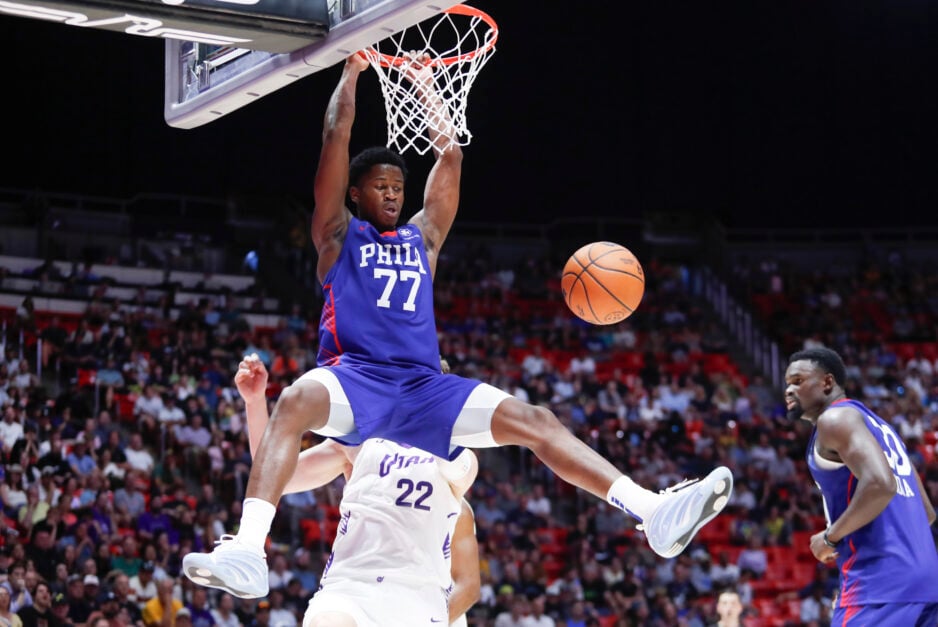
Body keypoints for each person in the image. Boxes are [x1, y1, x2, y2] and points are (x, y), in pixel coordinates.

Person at [183, 50, 732, 598]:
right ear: (355, 194)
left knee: (534, 419)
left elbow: (449, 157)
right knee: (296, 399)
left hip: (425, 386)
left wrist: (425, 88)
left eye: (398, 185)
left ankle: (651, 510)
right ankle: (249, 551)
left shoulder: (424, 240)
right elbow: (335, 138)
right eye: (380, 185)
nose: (394, 192)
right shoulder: (337, 235)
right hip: (360, 378)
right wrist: (350, 73)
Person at [190, 355, 479, 626]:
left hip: (418, 598)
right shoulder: (359, 441)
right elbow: (275, 473)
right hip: (350, 586)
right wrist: (254, 403)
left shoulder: (455, 464)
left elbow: (468, 585)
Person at [785, 347, 938, 626]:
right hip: (927, 586)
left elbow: (880, 484)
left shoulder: (835, 419)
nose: (789, 390)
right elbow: (926, 512)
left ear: (827, 382)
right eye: (787, 384)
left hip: (879, 584)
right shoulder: (884, 429)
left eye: (797, 381)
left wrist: (831, 537)